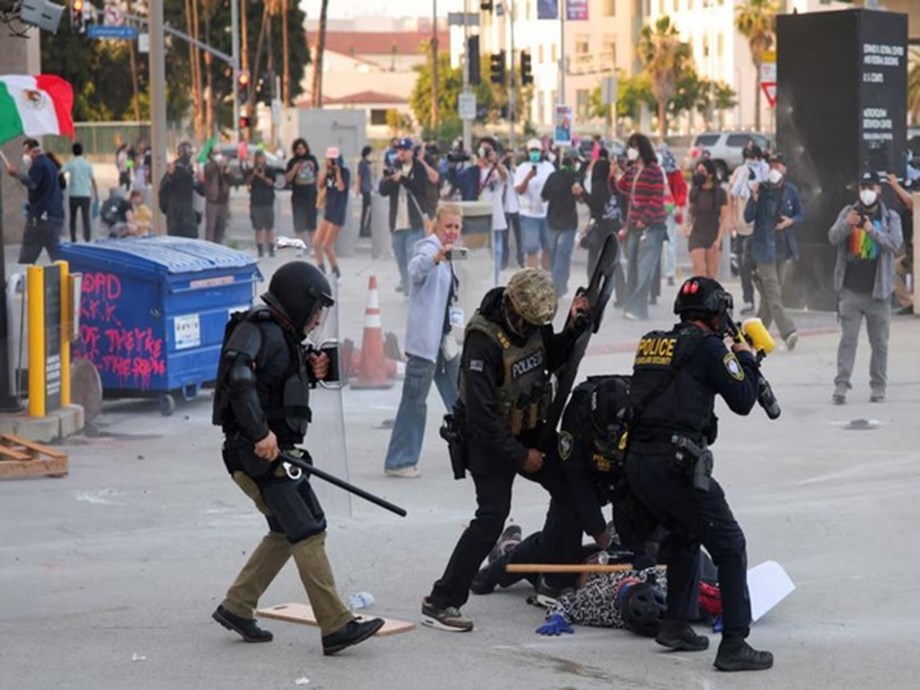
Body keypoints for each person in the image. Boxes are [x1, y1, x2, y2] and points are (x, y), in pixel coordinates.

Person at [211, 261, 385, 655]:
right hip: (256, 451)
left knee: (287, 529)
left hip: (275, 451)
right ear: (296, 300)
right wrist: (260, 433)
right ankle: (336, 625)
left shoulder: (284, 335)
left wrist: (310, 367)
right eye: (316, 308)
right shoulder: (256, 328)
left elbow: (275, 380)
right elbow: (239, 378)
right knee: (307, 529)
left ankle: (237, 606)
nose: (318, 317)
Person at [421, 268, 589, 632]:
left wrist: (573, 325)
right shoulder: (483, 341)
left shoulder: (535, 319)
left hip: (529, 428)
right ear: (512, 302)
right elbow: (482, 420)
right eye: (527, 322)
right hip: (489, 442)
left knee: (569, 488)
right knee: (491, 519)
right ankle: (442, 600)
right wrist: (520, 457)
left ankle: (554, 577)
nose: (532, 329)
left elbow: (551, 356)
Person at [625, 276, 773, 672]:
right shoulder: (709, 347)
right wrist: (743, 357)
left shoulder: (651, 342)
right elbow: (743, 400)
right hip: (676, 465)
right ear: (715, 313)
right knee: (729, 544)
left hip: (639, 465)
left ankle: (675, 624)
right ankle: (735, 644)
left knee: (685, 534)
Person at [383, 204, 464, 478]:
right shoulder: (428, 249)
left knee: (463, 397)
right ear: (436, 227)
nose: (452, 232)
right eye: (447, 227)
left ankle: (474, 452)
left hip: (443, 342)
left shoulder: (449, 254)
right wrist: (435, 258)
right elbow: (416, 270)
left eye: (456, 227)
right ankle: (400, 460)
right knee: (414, 401)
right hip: (425, 346)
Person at [828, 172, 903, 405]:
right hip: (850, 290)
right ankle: (841, 385)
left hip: (878, 292)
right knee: (847, 340)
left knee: (879, 343)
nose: (866, 192)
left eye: (871, 187)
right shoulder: (847, 212)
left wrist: (871, 230)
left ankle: (878, 386)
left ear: (879, 190)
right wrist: (846, 225)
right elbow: (832, 237)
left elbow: (894, 244)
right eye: (863, 187)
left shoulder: (890, 217)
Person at [744, 153, 803, 350]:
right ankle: (788, 333)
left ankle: (752, 337)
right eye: (772, 167)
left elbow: (801, 213)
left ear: (785, 169)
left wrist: (790, 221)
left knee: (770, 299)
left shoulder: (791, 191)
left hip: (783, 249)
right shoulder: (762, 189)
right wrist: (754, 197)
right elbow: (748, 217)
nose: (774, 170)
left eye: (778, 166)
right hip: (764, 250)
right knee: (774, 294)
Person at [613, 133, 668, 321]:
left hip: (652, 226)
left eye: (634, 147)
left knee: (645, 269)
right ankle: (630, 306)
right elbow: (619, 189)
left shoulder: (654, 170)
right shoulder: (632, 171)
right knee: (633, 267)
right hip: (633, 226)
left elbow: (657, 197)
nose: (631, 150)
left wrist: (645, 219)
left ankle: (639, 309)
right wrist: (616, 172)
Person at [379, 138, 430, 294]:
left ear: (411, 152)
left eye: (405, 150)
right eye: (399, 149)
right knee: (400, 258)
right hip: (397, 222)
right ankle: (407, 286)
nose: (401, 152)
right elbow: (382, 190)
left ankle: (414, 289)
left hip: (414, 222)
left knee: (411, 257)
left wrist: (402, 179)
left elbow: (420, 188)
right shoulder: (393, 166)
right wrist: (391, 179)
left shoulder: (419, 168)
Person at [5, 138, 64, 263]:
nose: (25, 156)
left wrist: (16, 174)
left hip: (40, 218)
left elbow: (32, 184)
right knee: (57, 259)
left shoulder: (38, 164)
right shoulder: (50, 164)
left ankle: (24, 281)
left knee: (27, 257)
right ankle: (61, 280)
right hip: (55, 217)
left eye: (25, 152)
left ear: (31, 150)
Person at [729, 146, 769, 315]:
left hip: (758, 228)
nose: (751, 160)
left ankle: (765, 298)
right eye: (748, 157)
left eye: (754, 157)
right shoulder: (740, 172)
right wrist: (732, 220)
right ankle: (748, 299)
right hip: (741, 226)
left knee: (756, 266)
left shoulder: (765, 171)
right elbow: (732, 195)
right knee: (744, 266)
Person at [541, 155, 583, 297]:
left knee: (554, 254)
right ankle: (559, 286)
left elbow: (543, 196)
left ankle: (558, 286)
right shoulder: (575, 177)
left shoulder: (552, 176)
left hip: (552, 220)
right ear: (572, 163)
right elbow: (580, 197)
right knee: (563, 255)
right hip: (569, 222)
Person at [578, 156, 623, 280]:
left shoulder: (600, 184)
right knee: (613, 261)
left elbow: (596, 205)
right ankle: (621, 293)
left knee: (594, 260)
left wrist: (583, 194)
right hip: (612, 225)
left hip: (602, 227)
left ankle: (593, 288)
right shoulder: (610, 184)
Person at [514, 139, 555, 270]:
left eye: (537, 150)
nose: (535, 153)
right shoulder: (521, 168)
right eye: (532, 151)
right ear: (528, 152)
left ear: (542, 152)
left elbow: (554, 186)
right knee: (532, 249)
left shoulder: (549, 167)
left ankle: (546, 278)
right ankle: (533, 278)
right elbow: (519, 191)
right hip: (528, 214)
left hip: (546, 213)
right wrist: (528, 177)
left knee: (548, 247)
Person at [686, 159, 728, 280]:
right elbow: (690, 212)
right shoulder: (694, 192)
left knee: (711, 275)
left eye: (702, 171)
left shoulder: (720, 193)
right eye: (698, 171)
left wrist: (718, 240)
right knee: (699, 273)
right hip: (697, 234)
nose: (699, 174)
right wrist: (687, 226)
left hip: (713, 235)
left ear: (710, 174)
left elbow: (723, 218)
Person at [313, 148, 350, 279]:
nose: (331, 162)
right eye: (329, 159)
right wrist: (326, 170)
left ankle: (336, 271)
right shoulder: (328, 173)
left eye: (333, 159)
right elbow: (320, 184)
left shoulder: (344, 172)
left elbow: (341, 187)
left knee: (327, 245)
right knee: (316, 242)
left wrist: (337, 171)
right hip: (328, 211)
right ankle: (321, 268)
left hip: (338, 212)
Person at [475, 137, 509, 276]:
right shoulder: (474, 169)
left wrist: (496, 162)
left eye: (488, 149)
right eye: (483, 149)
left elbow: (505, 176)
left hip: (496, 216)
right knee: (479, 252)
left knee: (497, 251)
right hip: (478, 217)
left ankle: (494, 281)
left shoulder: (498, 169)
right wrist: (478, 164)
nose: (485, 152)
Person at [158, 142, 204, 238]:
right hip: (177, 218)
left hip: (185, 217)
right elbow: (163, 193)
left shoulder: (189, 171)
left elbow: (202, 190)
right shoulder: (175, 171)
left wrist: (200, 180)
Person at [658, 144, 687, 288]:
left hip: (670, 209)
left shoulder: (675, 172)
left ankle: (670, 273)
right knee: (663, 242)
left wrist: (678, 205)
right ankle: (662, 273)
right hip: (657, 209)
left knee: (670, 242)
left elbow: (682, 189)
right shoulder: (657, 170)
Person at [887, 173, 914, 315]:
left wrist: (895, 185)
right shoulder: (904, 216)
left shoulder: (916, 206)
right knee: (891, 268)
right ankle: (909, 303)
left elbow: (911, 202)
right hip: (913, 255)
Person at [60, 142, 98, 243]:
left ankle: (73, 238)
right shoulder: (87, 164)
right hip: (86, 194)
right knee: (86, 217)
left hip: (74, 194)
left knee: (73, 217)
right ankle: (87, 237)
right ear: (82, 151)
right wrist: (96, 193)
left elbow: (60, 172)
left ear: (73, 151)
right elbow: (93, 179)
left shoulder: (71, 163)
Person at [285, 138, 320, 245]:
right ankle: (299, 246)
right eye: (298, 148)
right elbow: (288, 178)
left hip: (311, 193)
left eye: (302, 148)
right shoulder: (292, 162)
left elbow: (317, 174)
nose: (300, 150)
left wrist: (318, 188)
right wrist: (295, 168)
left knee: (312, 222)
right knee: (298, 222)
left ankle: (313, 246)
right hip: (298, 194)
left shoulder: (312, 159)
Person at [247, 150, 277, 258]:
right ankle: (260, 250)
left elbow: (271, 182)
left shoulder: (269, 169)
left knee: (269, 227)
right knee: (258, 228)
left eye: (262, 158)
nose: (260, 160)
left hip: (268, 201)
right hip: (256, 202)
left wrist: (262, 176)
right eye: (258, 158)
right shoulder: (251, 170)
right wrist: (254, 174)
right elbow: (247, 183)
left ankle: (271, 249)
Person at [203, 149, 231, 244]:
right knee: (211, 227)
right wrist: (217, 164)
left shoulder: (224, 166)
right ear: (211, 155)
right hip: (212, 201)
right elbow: (209, 172)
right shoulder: (208, 166)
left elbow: (231, 179)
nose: (218, 156)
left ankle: (219, 246)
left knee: (221, 226)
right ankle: (209, 247)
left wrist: (227, 170)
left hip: (223, 201)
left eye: (219, 153)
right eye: (215, 153)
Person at [503, 149, 523, 269]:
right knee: (505, 237)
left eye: (512, 158)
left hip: (517, 208)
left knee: (519, 237)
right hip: (505, 208)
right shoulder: (504, 171)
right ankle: (504, 260)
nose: (510, 161)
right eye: (508, 158)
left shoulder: (518, 171)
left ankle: (520, 259)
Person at [357, 145, 374, 238]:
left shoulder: (367, 163)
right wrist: (358, 189)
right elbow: (359, 176)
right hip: (365, 189)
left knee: (368, 209)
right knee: (367, 209)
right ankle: (364, 228)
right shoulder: (362, 163)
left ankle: (366, 228)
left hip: (368, 188)